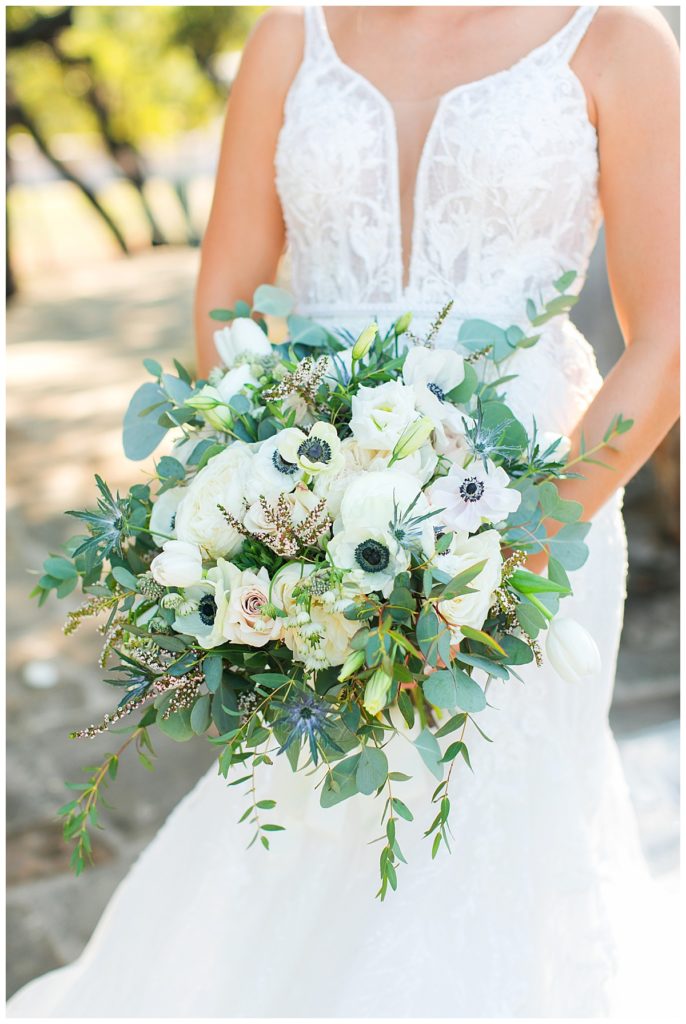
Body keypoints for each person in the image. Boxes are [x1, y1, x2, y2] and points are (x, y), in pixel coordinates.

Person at [8, 5, 680, 1017]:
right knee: (306, 817)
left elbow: (666, 327)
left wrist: (527, 539)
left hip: (535, 518)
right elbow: (227, 300)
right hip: (305, 519)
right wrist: (260, 503)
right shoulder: (291, 38)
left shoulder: (616, 40)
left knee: (483, 843)